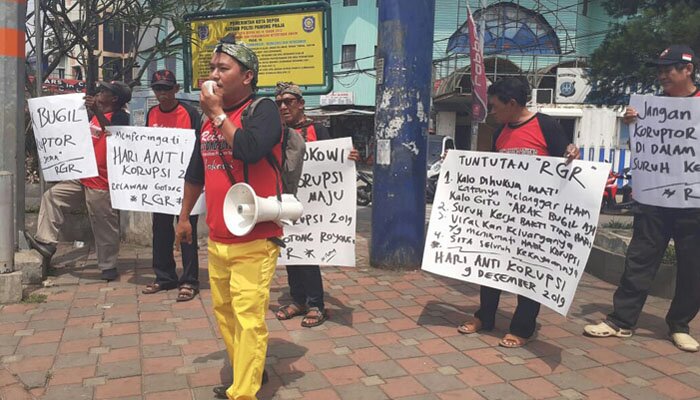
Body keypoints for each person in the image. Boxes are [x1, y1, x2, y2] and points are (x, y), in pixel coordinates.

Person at [175, 34, 280, 400]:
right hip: (218, 236)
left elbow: (250, 150)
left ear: (247, 76)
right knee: (225, 312)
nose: (214, 74)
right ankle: (247, 371)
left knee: (248, 315)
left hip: (255, 236)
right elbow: (196, 172)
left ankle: (243, 392)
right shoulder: (207, 123)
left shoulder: (262, 110)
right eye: (212, 68)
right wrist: (184, 216)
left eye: (224, 68)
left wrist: (218, 114)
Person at [584, 45, 700, 353]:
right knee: (639, 259)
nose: (662, 75)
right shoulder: (651, 107)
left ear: (688, 70)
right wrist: (634, 125)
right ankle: (621, 320)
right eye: (660, 70)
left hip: (694, 204)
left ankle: (679, 325)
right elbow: (648, 150)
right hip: (654, 200)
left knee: (693, 267)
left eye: (669, 69)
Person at [457, 77, 579, 348]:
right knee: (489, 268)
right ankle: (484, 317)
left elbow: (567, 161)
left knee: (529, 274)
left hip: (537, 220)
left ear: (512, 104)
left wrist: (571, 153)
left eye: (496, 106)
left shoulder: (546, 125)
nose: (493, 112)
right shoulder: (500, 133)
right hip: (503, 217)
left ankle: (523, 327)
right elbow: (492, 171)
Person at [25, 81, 131, 281]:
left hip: (102, 181)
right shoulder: (94, 116)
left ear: (114, 99)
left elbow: (114, 133)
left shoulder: (121, 117)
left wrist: (95, 111)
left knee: (104, 224)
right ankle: (46, 242)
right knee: (53, 196)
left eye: (104, 91)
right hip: (83, 175)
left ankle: (108, 266)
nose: (99, 92)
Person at [272, 82, 359, 327]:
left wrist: (350, 156)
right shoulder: (275, 132)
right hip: (285, 201)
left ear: (301, 103)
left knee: (307, 253)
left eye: (288, 101)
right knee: (289, 252)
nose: (283, 106)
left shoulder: (317, 130)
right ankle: (297, 299)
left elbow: (335, 158)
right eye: (279, 102)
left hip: (313, 206)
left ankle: (315, 304)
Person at [140, 70, 202, 301]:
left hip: (186, 184)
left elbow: (198, 148)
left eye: (166, 88)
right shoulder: (151, 114)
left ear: (176, 89)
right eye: (158, 88)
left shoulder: (189, 113)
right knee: (161, 231)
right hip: (160, 184)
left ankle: (189, 280)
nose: (162, 93)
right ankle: (164, 277)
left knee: (187, 231)